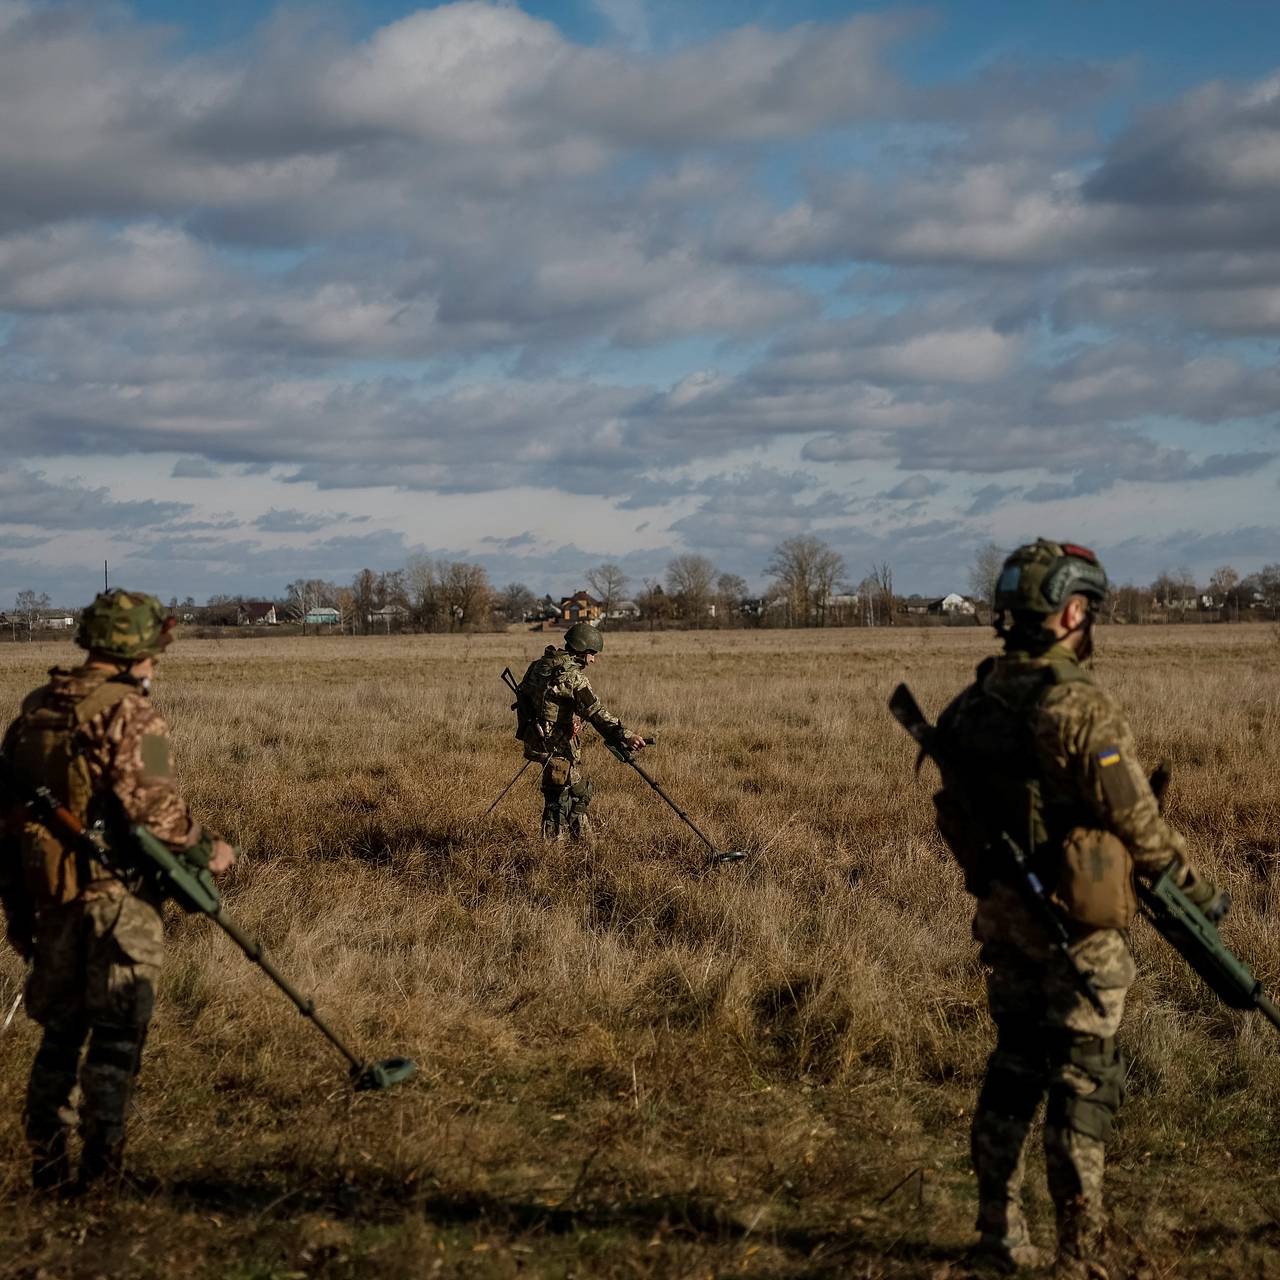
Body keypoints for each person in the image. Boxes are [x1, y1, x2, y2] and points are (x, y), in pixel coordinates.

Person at [930, 540, 1225, 1279]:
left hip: (1002, 918)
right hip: (1077, 929)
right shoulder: (1078, 705)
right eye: (1087, 608)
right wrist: (1198, 896)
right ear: (1068, 611)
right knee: (1083, 1081)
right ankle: (1082, 1255)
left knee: (1012, 1070)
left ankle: (998, 1237)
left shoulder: (970, 704)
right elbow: (1138, 826)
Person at [0, 588, 235, 1192]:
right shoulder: (132, 713)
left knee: (58, 1040)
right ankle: (103, 1174)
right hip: (115, 901)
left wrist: (19, 912)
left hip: (49, 898)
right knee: (116, 1037)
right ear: (137, 649)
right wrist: (213, 850)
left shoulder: (34, 710)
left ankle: (47, 1172)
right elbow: (158, 814)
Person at [517, 622, 646, 839]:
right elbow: (597, 713)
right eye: (592, 653)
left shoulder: (539, 666)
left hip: (536, 741)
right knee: (571, 795)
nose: (594, 659)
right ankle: (564, 848)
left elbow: (527, 696)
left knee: (562, 792)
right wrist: (626, 735)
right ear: (581, 649)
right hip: (557, 747)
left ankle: (581, 841)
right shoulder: (574, 678)